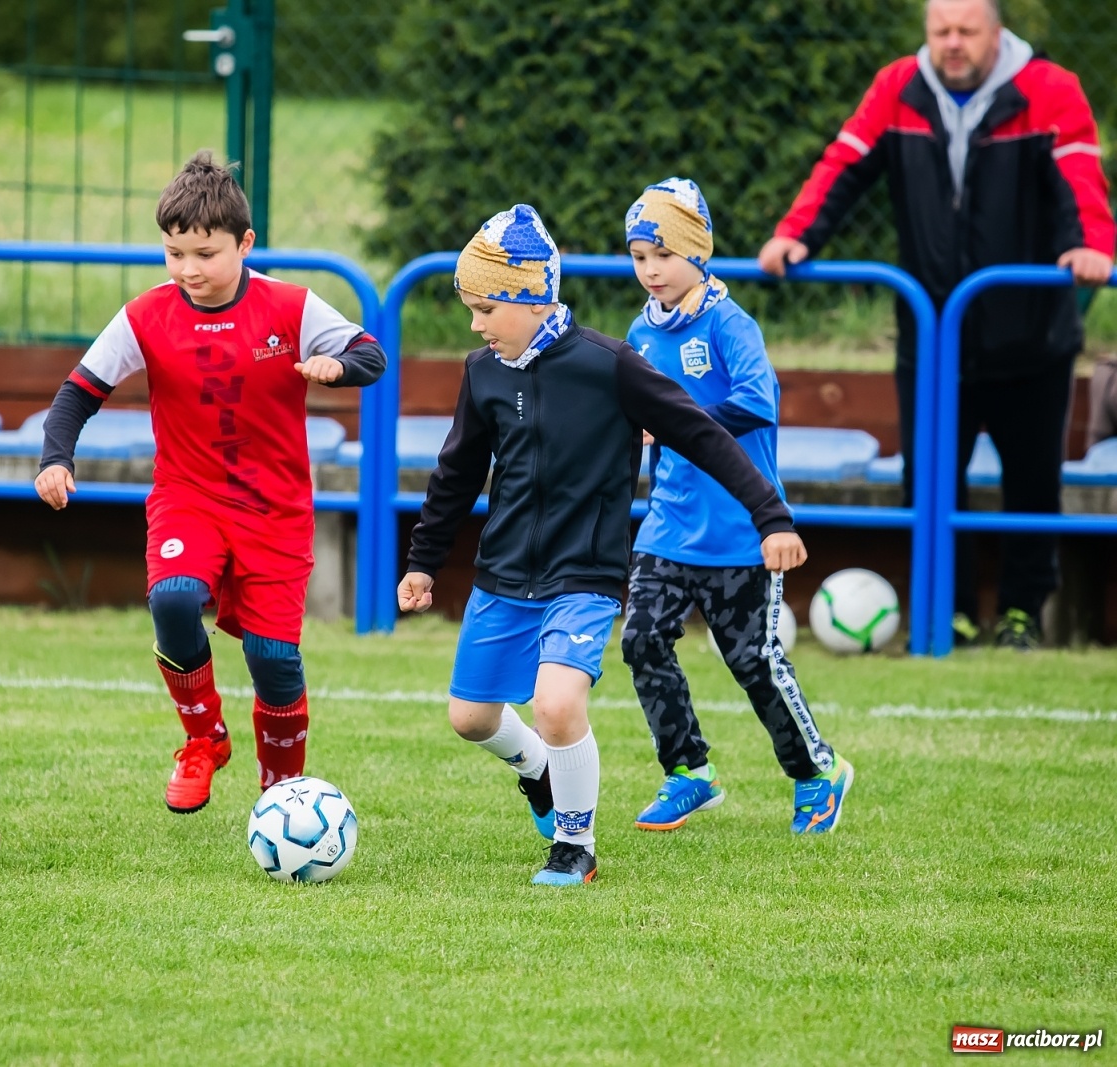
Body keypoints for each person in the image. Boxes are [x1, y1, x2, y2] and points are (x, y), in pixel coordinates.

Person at [398, 205, 807, 887]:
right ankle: (539, 772)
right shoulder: (483, 371)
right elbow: (456, 474)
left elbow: (702, 436)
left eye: (485, 308)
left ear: (532, 297)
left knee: (557, 704)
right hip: (503, 575)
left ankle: (574, 846)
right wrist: (422, 561)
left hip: (583, 575)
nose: (474, 324)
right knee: (470, 719)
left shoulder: (610, 365)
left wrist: (772, 516)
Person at [34, 151, 385, 813]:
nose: (188, 270)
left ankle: (281, 795)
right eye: (174, 254)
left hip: (275, 511)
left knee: (273, 657)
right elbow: (77, 393)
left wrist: (338, 368)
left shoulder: (290, 306)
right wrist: (57, 459)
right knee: (172, 599)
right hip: (187, 499)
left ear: (244, 244)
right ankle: (203, 739)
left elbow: (370, 353)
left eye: (205, 253)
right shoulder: (146, 315)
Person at [758, 0, 1115, 650]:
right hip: (932, 334)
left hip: (1031, 334)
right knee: (929, 479)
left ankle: (1020, 616)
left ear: (996, 32)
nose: (952, 43)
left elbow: (1080, 177)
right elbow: (844, 164)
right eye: (940, 30)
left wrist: (1091, 246)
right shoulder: (899, 87)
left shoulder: (1048, 89)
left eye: (966, 31)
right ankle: (950, 613)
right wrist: (796, 234)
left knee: (1032, 482)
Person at [622, 179, 852, 836]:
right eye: (639, 257)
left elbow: (757, 400)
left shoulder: (729, 323)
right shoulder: (640, 332)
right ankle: (688, 770)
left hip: (739, 530)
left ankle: (817, 771)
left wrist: (675, 423)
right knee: (641, 640)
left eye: (663, 254)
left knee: (755, 663)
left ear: (698, 252)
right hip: (668, 525)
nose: (651, 270)